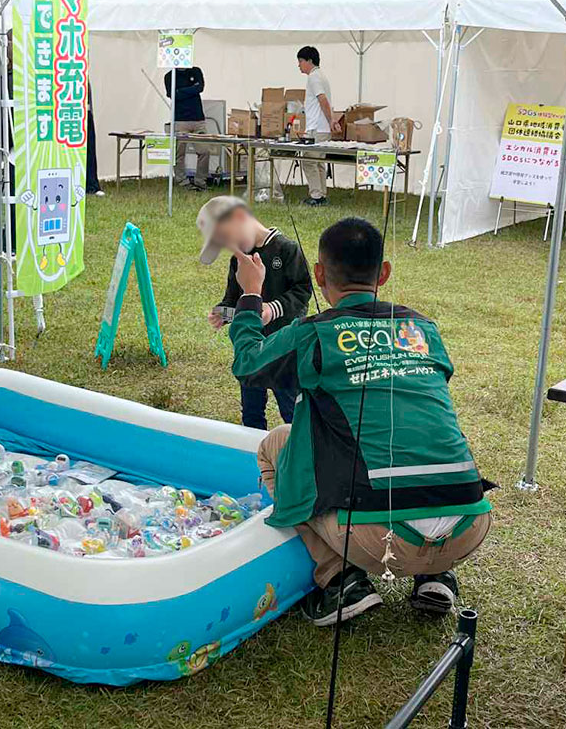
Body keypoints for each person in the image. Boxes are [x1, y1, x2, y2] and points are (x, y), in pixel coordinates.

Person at [229, 217, 493, 625]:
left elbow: (248, 364)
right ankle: (436, 574)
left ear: (319, 274)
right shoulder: (424, 329)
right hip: (471, 526)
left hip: (375, 540)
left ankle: (340, 580)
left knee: (276, 445)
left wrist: (250, 294)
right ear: (384, 273)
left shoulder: (313, 333)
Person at [197, 196, 312, 430]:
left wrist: (273, 309)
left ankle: (300, 445)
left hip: (283, 350)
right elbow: (233, 297)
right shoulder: (238, 258)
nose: (230, 246)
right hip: (251, 350)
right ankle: (251, 444)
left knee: (291, 409)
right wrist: (223, 313)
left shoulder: (287, 249)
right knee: (251, 410)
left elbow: (302, 291)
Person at [296, 46, 340, 207]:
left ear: (309, 61)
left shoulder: (314, 77)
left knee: (308, 161)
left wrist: (332, 120)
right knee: (319, 162)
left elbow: (323, 101)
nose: (299, 65)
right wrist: (331, 121)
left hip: (317, 128)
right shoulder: (321, 76)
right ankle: (321, 194)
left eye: (301, 61)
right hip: (323, 128)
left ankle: (316, 196)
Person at [164, 66, 209, 191]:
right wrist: (192, 89)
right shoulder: (170, 76)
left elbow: (200, 87)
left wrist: (180, 91)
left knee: (204, 151)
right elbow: (172, 94)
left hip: (198, 120)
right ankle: (182, 181)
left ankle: (200, 181)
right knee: (179, 153)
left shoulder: (195, 71)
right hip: (180, 121)